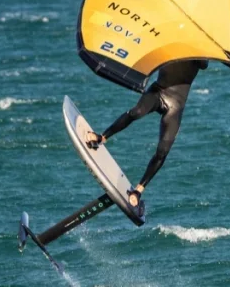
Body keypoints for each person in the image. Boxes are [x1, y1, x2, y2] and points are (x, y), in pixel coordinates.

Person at [84, 59, 208, 217]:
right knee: (136, 112)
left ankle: (138, 190)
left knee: (162, 151)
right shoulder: (168, 41)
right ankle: (102, 137)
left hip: (175, 105)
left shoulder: (198, 53)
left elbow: (204, 64)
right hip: (158, 91)